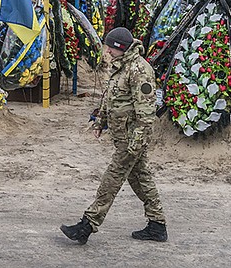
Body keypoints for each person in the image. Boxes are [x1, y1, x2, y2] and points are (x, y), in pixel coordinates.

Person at [60, 27, 167, 244]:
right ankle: (157, 225)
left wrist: (135, 144)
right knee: (140, 179)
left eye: (110, 46)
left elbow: (146, 113)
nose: (107, 50)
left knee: (112, 179)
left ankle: (87, 225)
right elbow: (111, 98)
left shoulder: (139, 70)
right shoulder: (121, 67)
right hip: (123, 137)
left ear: (119, 47)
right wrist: (101, 122)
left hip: (131, 140)